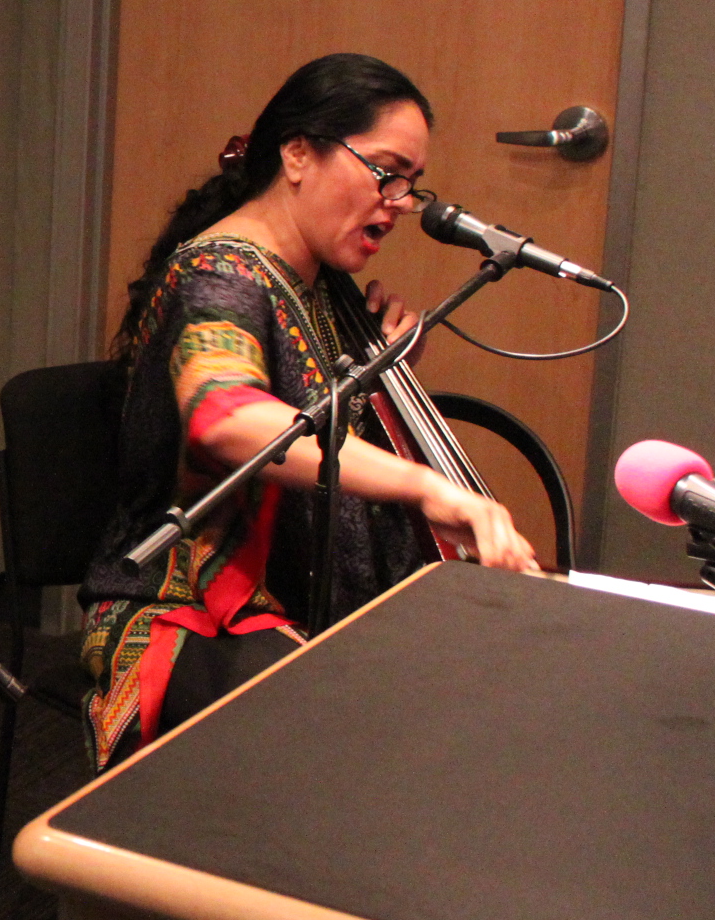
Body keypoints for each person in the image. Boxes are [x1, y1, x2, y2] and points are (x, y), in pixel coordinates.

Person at [77, 53, 535, 770]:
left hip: (292, 592)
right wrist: (426, 487)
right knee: (377, 739)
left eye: (411, 184)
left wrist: (378, 373)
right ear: (297, 154)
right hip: (189, 608)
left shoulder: (313, 282)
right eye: (385, 172)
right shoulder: (219, 274)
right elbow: (226, 417)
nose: (398, 202)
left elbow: (312, 422)